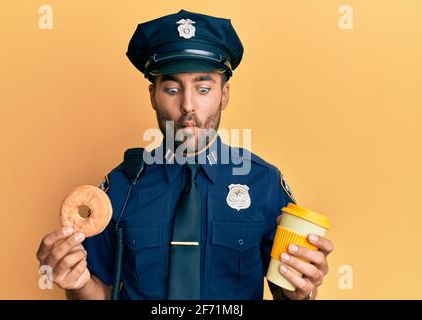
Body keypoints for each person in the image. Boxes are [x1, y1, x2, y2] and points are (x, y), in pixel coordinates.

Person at [36, 9, 333, 300]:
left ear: (224, 95)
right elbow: (97, 293)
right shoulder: (120, 187)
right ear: (153, 96)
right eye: (172, 89)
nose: (188, 106)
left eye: (203, 89)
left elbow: (288, 291)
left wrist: (303, 290)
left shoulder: (264, 183)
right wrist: (75, 282)